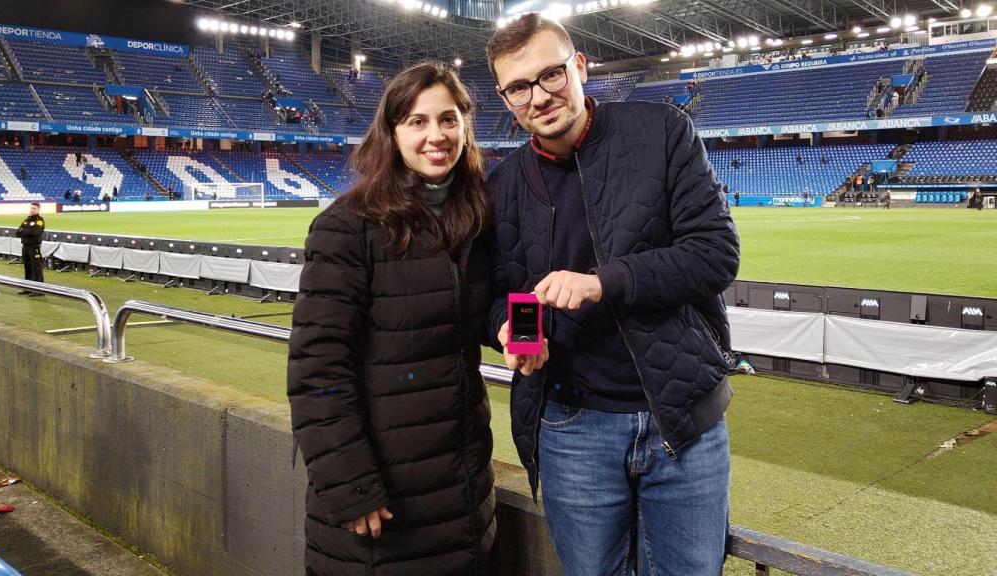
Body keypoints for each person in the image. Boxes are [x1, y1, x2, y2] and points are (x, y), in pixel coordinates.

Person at [486, 14, 739, 576]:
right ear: (505, 98)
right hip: (570, 426)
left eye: (550, 74)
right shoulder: (500, 186)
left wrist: (604, 281)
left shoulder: (661, 131)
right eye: (519, 87)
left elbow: (715, 255)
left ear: (579, 67)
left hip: (682, 420)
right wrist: (515, 330)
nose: (540, 96)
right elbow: (503, 293)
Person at [287, 63, 498, 576]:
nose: (435, 136)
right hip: (380, 511)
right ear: (392, 132)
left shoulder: (475, 218)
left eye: (448, 120)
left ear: (465, 126)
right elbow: (318, 370)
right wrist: (351, 486)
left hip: (463, 499)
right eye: (417, 122)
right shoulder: (347, 227)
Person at [15, 202, 45, 296]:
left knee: (36, 267)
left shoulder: (40, 220)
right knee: (27, 267)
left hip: (34, 247)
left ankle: (39, 290)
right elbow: (17, 232)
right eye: (31, 208)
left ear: (38, 210)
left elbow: (35, 233)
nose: (32, 210)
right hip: (25, 246)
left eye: (34, 208)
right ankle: (28, 288)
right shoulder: (26, 220)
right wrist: (28, 231)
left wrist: (24, 231)